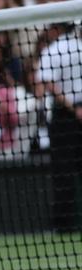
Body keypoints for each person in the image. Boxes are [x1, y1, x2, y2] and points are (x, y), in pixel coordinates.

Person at [37, 22, 82, 233]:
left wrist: (76, 108)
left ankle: (68, 224)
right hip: (68, 115)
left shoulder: (56, 49)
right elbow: (48, 82)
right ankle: (66, 224)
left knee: (67, 171)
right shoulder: (64, 47)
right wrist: (76, 108)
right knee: (65, 171)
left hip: (70, 114)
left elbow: (48, 83)